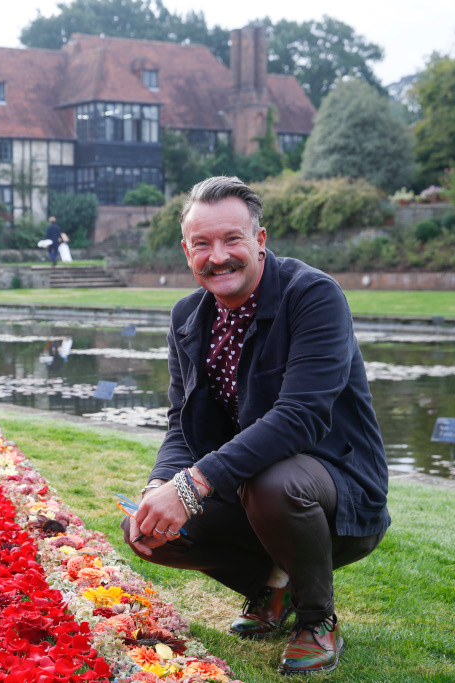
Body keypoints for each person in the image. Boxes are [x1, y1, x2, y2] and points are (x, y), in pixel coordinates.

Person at [121, 176, 390, 675]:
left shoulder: (312, 295)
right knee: (146, 526)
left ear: (260, 241)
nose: (217, 256)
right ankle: (272, 586)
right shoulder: (187, 317)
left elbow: (300, 417)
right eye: (202, 243)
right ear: (186, 250)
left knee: (272, 483)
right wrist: (161, 484)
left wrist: (193, 484)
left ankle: (317, 619)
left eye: (232, 239)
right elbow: (181, 425)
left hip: (335, 489)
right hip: (248, 488)